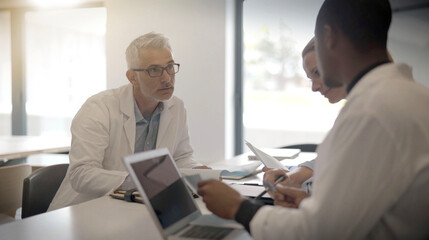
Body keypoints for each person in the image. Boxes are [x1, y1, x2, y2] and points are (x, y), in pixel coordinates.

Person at [197, 0, 429, 239]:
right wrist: (309, 205)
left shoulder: (373, 112)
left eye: (316, 71)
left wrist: (238, 207)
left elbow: (321, 233)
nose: (315, 85)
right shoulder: (413, 96)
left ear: (328, 37)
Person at [49, 32, 207, 211]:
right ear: (132, 77)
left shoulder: (176, 107)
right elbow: (81, 174)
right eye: (154, 70)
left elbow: (181, 157)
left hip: (136, 207)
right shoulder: (99, 108)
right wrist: (141, 181)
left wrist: (200, 171)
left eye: (170, 66)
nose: (167, 78)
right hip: (85, 209)